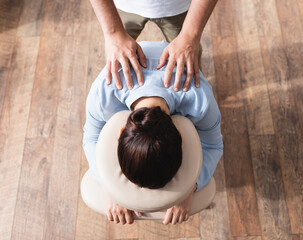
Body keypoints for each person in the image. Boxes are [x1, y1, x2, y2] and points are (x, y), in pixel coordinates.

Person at [83, 41, 223, 225]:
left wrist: (190, 187)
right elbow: (91, 137)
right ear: (120, 133)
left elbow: (214, 145)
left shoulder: (200, 101)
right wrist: (111, 189)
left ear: (121, 133)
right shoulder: (102, 94)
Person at [89, 0, 218, 92]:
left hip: (182, 7)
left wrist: (190, 36)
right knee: (117, 64)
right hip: (118, 6)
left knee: (188, 66)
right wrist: (113, 34)